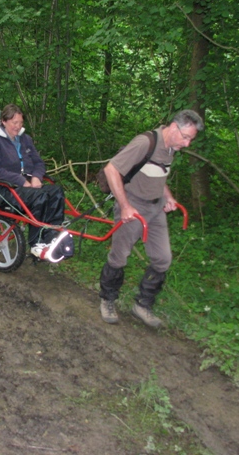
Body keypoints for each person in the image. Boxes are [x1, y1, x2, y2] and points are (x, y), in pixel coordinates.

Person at [98, 109, 204, 327]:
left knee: (163, 259)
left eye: (190, 140)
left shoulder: (170, 149)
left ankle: (142, 305)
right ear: (174, 128)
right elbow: (111, 170)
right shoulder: (145, 143)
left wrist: (168, 197)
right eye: (185, 138)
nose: (187, 144)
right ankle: (107, 300)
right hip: (133, 207)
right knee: (119, 257)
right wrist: (125, 206)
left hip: (155, 210)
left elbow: (158, 176)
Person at [0, 104, 67, 260]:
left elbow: (39, 163)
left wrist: (36, 177)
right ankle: (36, 244)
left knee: (56, 191)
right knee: (39, 196)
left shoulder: (25, 139)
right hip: (3, 188)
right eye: (14, 123)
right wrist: (20, 180)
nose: (18, 126)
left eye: (20, 123)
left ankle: (51, 236)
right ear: (4, 121)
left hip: (25, 186)